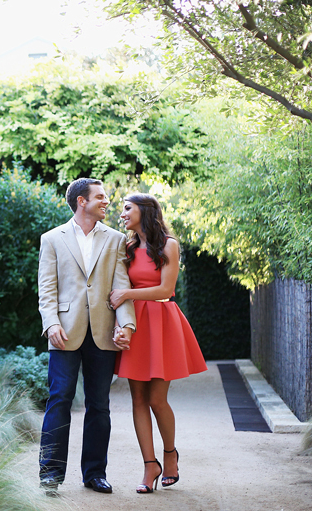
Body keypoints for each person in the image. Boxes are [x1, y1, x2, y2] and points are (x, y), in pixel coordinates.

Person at [38, 178, 137, 495]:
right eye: (100, 197)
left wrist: (126, 326)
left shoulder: (116, 239)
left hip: (104, 332)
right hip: (63, 332)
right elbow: (47, 289)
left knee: (100, 405)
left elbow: (121, 290)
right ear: (82, 201)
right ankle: (50, 474)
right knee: (60, 400)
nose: (106, 201)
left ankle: (94, 473)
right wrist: (51, 323)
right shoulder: (52, 239)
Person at [109, 193, 207, 494]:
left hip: (162, 323)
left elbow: (165, 288)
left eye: (128, 208)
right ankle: (149, 466)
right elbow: (118, 285)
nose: (122, 213)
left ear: (145, 211)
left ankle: (170, 454)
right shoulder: (126, 247)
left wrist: (127, 296)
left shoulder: (169, 245)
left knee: (156, 399)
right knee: (137, 399)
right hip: (134, 325)